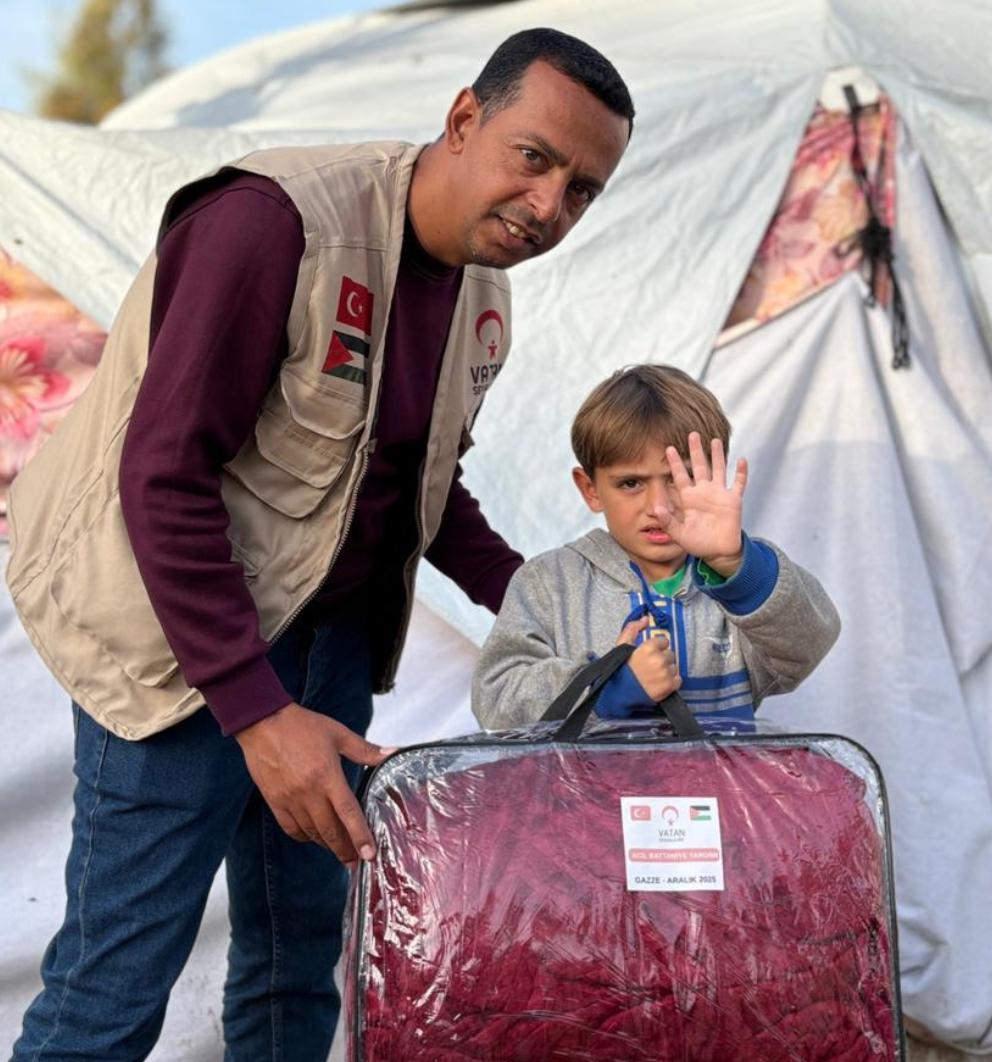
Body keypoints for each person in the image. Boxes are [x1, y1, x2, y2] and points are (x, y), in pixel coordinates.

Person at [7, 28, 633, 1062]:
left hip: (329, 649)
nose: (548, 207)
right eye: (535, 157)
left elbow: (416, 489)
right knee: (116, 987)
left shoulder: (483, 297)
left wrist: (547, 605)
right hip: (174, 647)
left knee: (299, 966)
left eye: (582, 190)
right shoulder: (273, 223)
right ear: (465, 117)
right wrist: (258, 716)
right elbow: (160, 475)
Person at [472, 365, 841, 729]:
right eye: (631, 483)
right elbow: (495, 697)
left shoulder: (741, 575)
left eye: (681, 478)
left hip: (718, 789)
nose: (659, 507)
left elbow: (807, 645)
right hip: (585, 790)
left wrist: (735, 565)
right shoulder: (549, 583)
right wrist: (609, 685)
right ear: (590, 488)